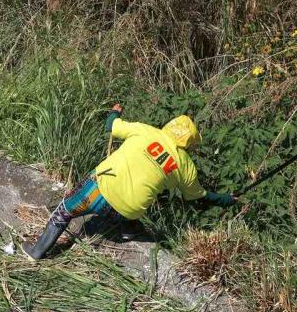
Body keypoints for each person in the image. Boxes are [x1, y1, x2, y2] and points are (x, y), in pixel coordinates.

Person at [22, 104, 237, 260]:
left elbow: (111, 125)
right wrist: (228, 199)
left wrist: (115, 111)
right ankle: (128, 229)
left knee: (64, 211)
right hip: (127, 211)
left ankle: (38, 251)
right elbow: (200, 196)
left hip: (98, 191)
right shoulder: (186, 165)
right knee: (141, 193)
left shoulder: (146, 131)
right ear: (190, 143)